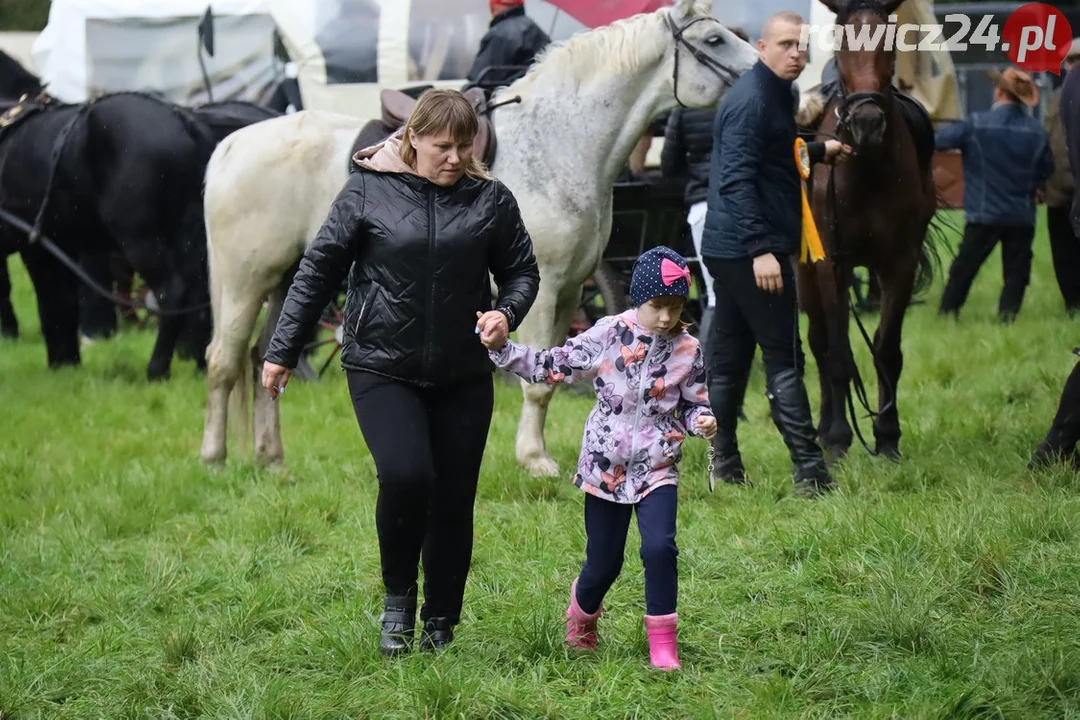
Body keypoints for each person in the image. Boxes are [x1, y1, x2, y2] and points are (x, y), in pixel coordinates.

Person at [260, 89, 540, 656]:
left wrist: (504, 315)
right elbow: (317, 271)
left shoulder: (491, 200)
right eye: (443, 146)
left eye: (466, 146)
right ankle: (398, 603)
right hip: (380, 366)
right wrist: (281, 349)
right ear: (412, 138)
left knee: (455, 497)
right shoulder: (366, 188)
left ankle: (441, 619)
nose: (456, 158)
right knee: (409, 476)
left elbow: (522, 273)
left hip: (463, 372)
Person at [482, 246, 717, 672]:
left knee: (660, 548)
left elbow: (692, 402)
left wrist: (702, 419)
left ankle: (663, 645)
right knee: (604, 562)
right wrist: (504, 349)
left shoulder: (688, 349)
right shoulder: (609, 333)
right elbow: (552, 364)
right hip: (605, 469)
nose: (666, 317)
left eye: (676, 306)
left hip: (657, 468)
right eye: (657, 306)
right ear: (637, 300)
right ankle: (583, 616)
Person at [700, 11, 851, 495]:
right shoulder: (751, 99)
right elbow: (736, 179)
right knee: (784, 356)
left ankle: (724, 465)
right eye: (785, 44)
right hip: (748, 251)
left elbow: (775, 150)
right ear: (762, 48)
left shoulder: (776, 93)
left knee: (730, 360)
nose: (796, 53)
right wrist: (761, 249)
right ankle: (810, 472)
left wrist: (818, 149)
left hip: (732, 248)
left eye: (802, 45)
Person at [934, 67, 1054, 323]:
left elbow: (937, 141)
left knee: (964, 268)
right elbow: (1046, 170)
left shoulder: (976, 124)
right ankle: (1007, 319)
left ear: (999, 92)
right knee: (1016, 272)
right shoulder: (1037, 132)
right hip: (1021, 214)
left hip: (983, 213)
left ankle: (947, 314)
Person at [660, 26, 750, 358]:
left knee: (715, 295)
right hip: (748, 205)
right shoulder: (749, 103)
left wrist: (698, 175)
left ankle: (708, 373)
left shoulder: (685, 107)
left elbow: (669, 164)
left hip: (703, 206)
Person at [1045, 38, 1080, 316]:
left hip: (1062, 186)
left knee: (1064, 251)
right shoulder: (1058, 98)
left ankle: (1073, 303)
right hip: (1064, 188)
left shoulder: (1059, 98)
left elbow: (1052, 143)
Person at [466, 0, 550, 88]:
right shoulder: (536, 30)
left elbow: (480, 80)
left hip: (507, 98)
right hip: (536, 93)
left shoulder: (498, 34)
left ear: (495, 6)